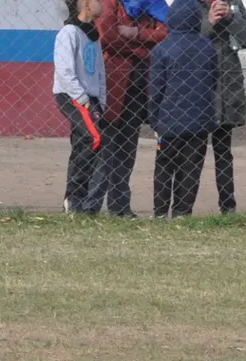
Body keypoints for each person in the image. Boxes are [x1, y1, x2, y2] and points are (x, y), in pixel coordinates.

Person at [85, 0, 167, 216]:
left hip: (140, 85)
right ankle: (90, 204)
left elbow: (165, 32)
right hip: (115, 86)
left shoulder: (152, 5)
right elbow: (108, 37)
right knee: (107, 146)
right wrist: (143, 50)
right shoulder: (110, 3)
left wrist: (136, 33)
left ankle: (120, 205)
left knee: (128, 147)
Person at [149, 0, 217, 217]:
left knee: (164, 166)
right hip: (199, 120)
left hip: (168, 120)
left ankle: (160, 211)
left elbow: (156, 88)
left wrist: (154, 119)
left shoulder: (162, 49)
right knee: (191, 168)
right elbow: (212, 81)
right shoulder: (207, 47)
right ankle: (182, 211)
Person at [200, 0, 246, 214]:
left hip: (225, 89)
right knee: (193, 152)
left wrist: (232, 17)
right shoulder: (188, 5)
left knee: (223, 151)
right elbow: (182, 40)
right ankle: (182, 207)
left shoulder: (233, 4)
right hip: (198, 88)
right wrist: (210, 22)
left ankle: (228, 206)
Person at [53, 0, 106, 214]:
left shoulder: (92, 35)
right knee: (94, 138)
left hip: (91, 98)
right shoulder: (69, 33)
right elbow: (64, 71)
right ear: (85, 4)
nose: (101, 3)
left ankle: (73, 202)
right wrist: (81, 97)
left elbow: (99, 72)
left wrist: (100, 100)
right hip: (72, 95)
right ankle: (75, 196)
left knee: (81, 144)